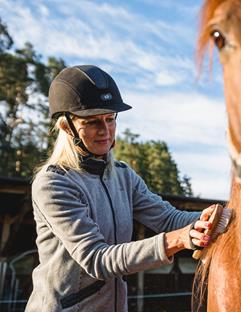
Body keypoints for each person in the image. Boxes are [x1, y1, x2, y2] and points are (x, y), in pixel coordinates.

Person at [26, 65, 214, 311]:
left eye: (110, 119)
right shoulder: (53, 184)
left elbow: (169, 219)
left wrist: (219, 215)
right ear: (66, 127)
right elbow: (97, 259)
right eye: (93, 122)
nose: (105, 131)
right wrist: (178, 240)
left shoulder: (123, 175)